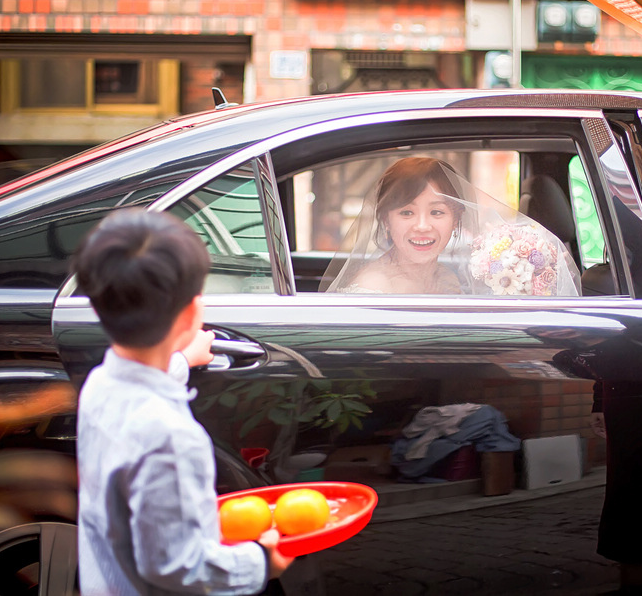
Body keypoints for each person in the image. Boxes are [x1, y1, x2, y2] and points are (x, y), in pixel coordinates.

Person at [74, 209, 292, 595]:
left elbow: (143, 384)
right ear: (193, 312)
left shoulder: (101, 385)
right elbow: (176, 566)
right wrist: (260, 563)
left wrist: (181, 358)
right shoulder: (173, 439)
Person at [323, 156, 581, 296]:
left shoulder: (447, 277)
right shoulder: (372, 287)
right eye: (407, 212)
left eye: (437, 212)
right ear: (386, 221)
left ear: (456, 219)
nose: (422, 226)